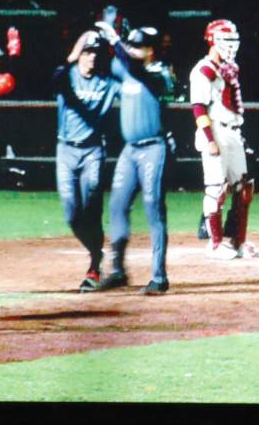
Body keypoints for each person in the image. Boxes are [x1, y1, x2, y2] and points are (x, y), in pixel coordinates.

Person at [93, 23, 174, 295]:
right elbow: (107, 63)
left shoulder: (159, 74)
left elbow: (132, 66)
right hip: (130, 150)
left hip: (153, 148)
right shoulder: (125, 69)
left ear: (151, 51)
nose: (133, 50)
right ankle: (117, 270)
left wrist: (115, 39)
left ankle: (159, 276)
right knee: (117, 205)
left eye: (139, 46)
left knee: (153, 208)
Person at [189, 19, 259, 260]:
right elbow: (198, 107)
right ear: (212, 41)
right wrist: (210, 139)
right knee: (216, 188)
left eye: (233, 41)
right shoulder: (204, 69)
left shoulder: (229, 68)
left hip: (232, 131)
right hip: (215, 131)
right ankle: (215, 242)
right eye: (226, 41)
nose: (231, 46)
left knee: (244, 188)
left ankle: (238, 241)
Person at [55, 30, 121, 291]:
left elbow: (127, 76)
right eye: (87, 52)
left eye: (95, 52)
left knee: (92, 207)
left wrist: (115, 43)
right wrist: (74, 51)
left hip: (93, 151)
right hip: (66, 149)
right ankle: (97, 251)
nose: (91, 57)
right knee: (72, 213)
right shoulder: (67, 77)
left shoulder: (107, 81)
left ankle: (94, 265)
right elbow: (55, 76)